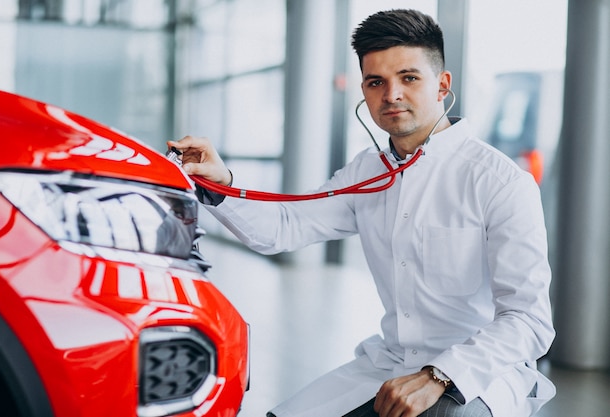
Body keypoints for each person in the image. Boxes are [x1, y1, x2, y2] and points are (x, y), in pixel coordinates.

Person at [168, 8, 555, 417]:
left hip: (480, 372)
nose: (391, 95)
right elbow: (282, 229)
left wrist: (440, 374)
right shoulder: (367, 171)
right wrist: (220, 182)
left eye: (409, 78)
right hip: (387, 364)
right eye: (376, 82)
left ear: (442, 85)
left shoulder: (499, 180)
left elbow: (529, 321)